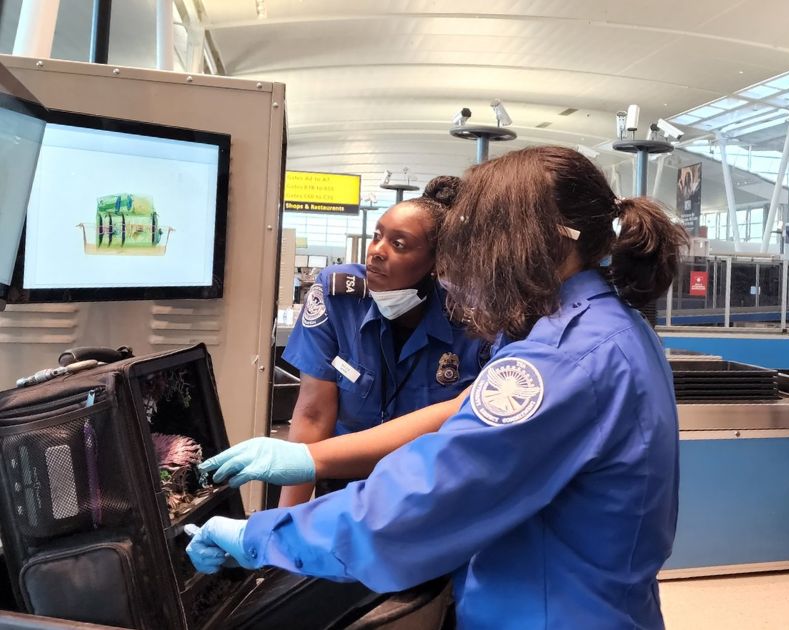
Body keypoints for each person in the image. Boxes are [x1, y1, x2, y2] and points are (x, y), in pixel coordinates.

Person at [187, 146, 689, 628]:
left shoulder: (557, 360)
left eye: (487, 241)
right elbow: (464, 413)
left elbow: (417, 507)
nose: (471, 263)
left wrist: (261, 536)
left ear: (549, 243)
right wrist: (308, 460)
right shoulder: (616, 327)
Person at [270, 176, 488, 507]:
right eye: (377, 236)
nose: (376, 252)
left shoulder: (475, 322)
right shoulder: (338, 297)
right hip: (342, 489)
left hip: (430, 495)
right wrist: (284, 522)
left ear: (438, 262)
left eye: (398, 244)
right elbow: (313, 414)